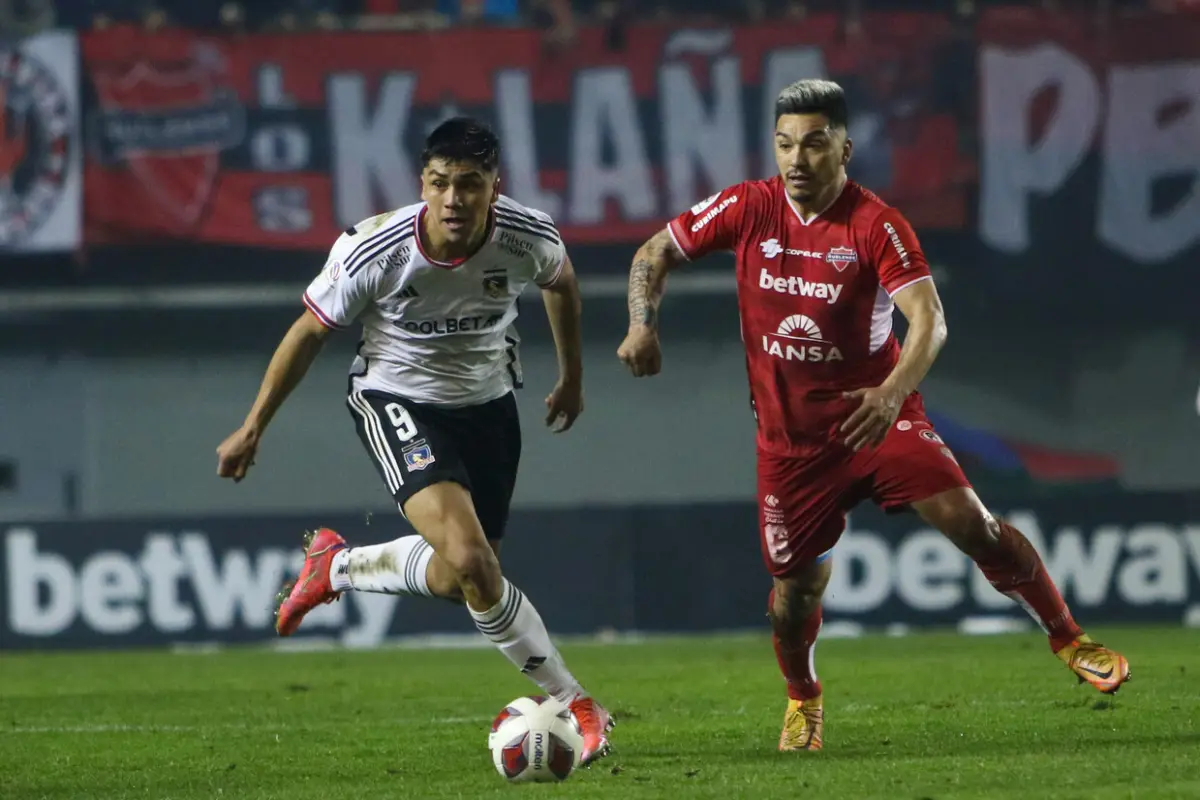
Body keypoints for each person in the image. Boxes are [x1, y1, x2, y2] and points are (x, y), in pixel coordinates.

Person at [616, 79, 1129, 752]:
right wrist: (641, 327)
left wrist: (890, 395)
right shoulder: (748, 208)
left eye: (814, 144)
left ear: (845, 148)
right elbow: (652, 253)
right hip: (791, 444)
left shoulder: (876, 225)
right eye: (785, 145)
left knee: (972, 524)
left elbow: (930, 322)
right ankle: (803, 698)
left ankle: (1069, 637)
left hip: (876, 420)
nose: (797, 160)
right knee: (795, 594)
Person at [216, 117, 613, 765]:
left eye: (468, 184)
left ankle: (335, 566)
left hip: (489, 407)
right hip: (396, 401)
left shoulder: (528, 234)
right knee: (475, 562)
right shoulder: (374, 250)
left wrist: (571, 377)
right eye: (440, 184)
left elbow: (562, 284)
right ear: (422, 185)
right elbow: (308, 332)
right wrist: (254, 424)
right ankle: (575, 701)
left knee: (468, 579)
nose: (453, 199)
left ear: (493, 187)